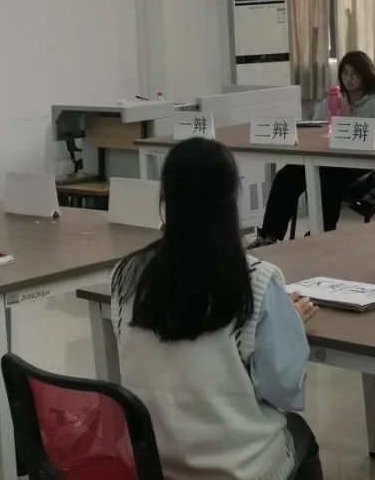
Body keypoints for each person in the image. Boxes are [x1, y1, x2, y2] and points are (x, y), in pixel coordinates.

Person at [111, 138, 323, 480]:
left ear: (165, 197)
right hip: (236, 468)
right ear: (232, 198)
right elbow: (281, 390)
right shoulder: (256, 279)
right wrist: (288, 326)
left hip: (151, 462)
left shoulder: (126, 276)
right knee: (300, 434)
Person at [252, 51, 375, 245]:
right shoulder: (336, 97)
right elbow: (317, 126)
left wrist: (346, 118)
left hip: (360, 164)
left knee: (326, 181)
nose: (349, 78)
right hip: (329, 157)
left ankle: (321, 235)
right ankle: (268, 235)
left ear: (365, 75)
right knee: (287, 175)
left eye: (354, 74)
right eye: (345, 73)